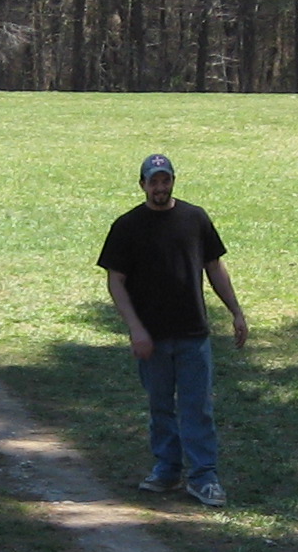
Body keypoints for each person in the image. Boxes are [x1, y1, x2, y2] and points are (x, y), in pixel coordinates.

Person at [98, 152, 250, 508]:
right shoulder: (127, 226)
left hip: (193, 332)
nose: (160, 188)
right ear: (142, 185)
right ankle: (167, 470)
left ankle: (203, 477)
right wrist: (136, 329)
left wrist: (236, 312)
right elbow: (116, 281)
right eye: (153, 181)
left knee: (197, 407)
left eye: (165, 180)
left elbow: (214, 268)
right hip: (152, 336)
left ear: (173, 181)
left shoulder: (194, 218)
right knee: (161, 406)